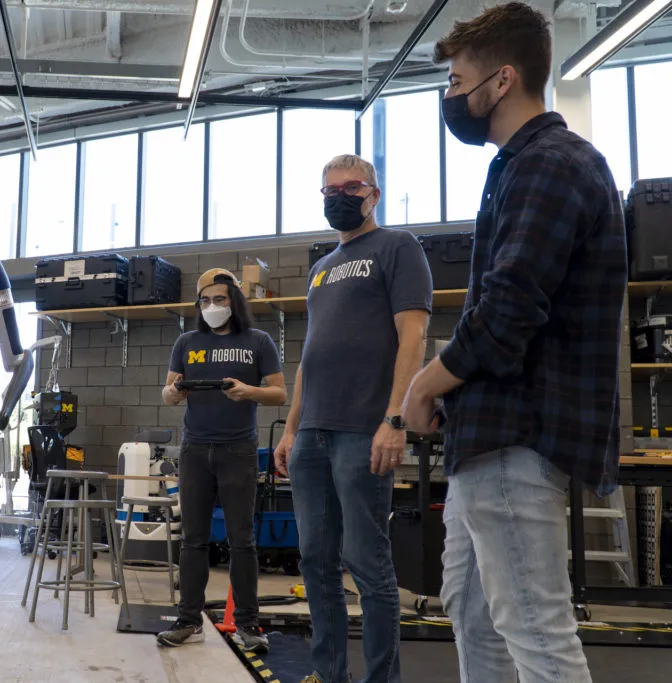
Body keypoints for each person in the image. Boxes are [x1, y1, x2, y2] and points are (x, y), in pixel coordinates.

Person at [401, 4, 627, 683]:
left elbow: (506, 314)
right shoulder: (518, 167)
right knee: (473, 616)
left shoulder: (549, 165)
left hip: (517, 441)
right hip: (489, 438)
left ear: (501, 81)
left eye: (457, 79)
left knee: (535, 629)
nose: (450, 96)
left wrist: (422, 384)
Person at [273, 153, 432, 683]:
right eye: (329, 191)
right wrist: (292, 428)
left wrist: (396, 418)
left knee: (367, 564)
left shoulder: (397, 247)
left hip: (363, 430)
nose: (339, 196)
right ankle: (329, 673)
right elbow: (311, 356)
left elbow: (413, 336)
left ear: (374, 194)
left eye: (351, 187)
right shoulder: (319, 270)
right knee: (315, 562)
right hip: (312, 433)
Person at [156, 268, 286, 653]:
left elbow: (279, 394)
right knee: (193, 539)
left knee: (242, 541)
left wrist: (248, 391)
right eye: (206, 301)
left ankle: (248, 624)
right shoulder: (186, 342)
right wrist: (175, 391)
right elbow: (167, 394)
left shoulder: (258, 342)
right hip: (195, 449)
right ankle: (187, 620)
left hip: (238, 451)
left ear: (234, 302)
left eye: (220, 299)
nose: (212, 306)